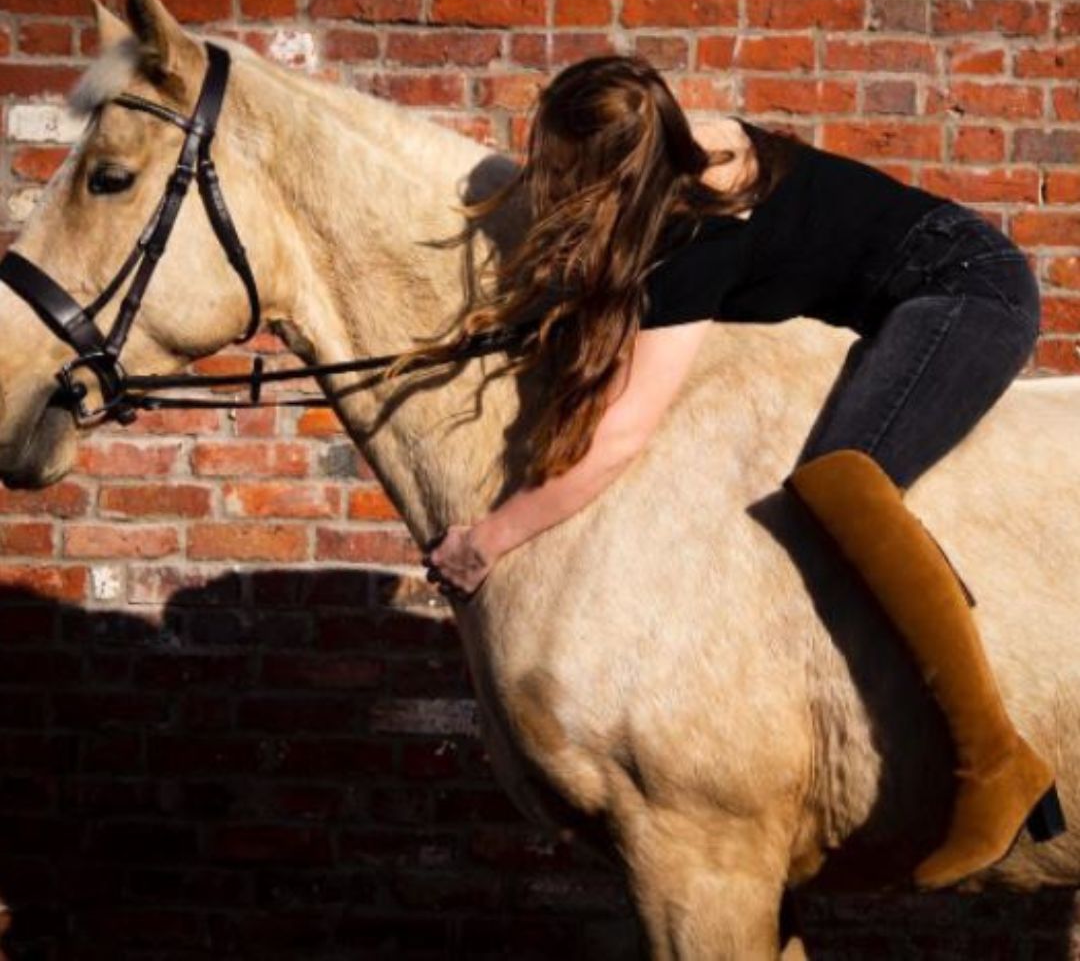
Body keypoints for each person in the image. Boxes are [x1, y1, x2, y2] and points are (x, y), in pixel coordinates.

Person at [404, 53, 1065, 890]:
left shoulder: (695, 234)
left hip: (969, 291)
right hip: (920, 291)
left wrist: (491, 538)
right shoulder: (697, 148)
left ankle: (995, 762)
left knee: (841, 480)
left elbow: (623, 431)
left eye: (557, 173)